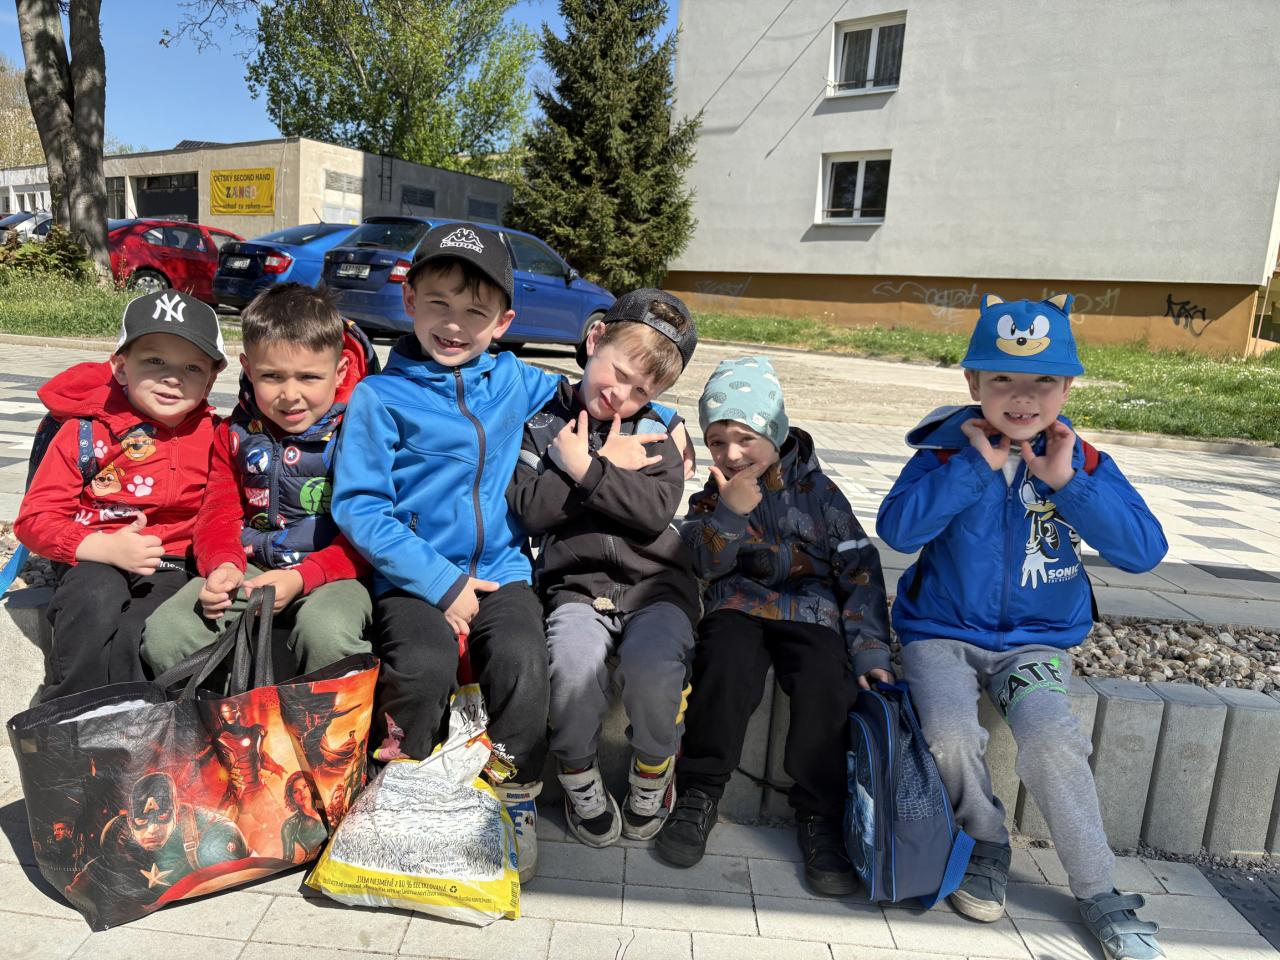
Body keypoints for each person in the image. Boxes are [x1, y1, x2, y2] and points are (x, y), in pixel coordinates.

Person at [876, 294, 1168, 960]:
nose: (1022, 396)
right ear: (973, 383)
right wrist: (971, 470)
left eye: (1043, 381)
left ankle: (1098, 889)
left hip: (1035, 644)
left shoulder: (1080, 460)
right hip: (941, 632)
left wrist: (1069, 484)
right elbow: (898, 530)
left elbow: (1144, 550)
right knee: (950, 735)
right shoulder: (945, 453)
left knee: (1052, 739)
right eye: (1002, 378)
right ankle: (985, 840)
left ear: (1067, 389)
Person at [327, 222, 564, 883]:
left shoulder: (514, 379)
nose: (454, 325)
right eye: (438, 304)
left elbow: (592, 396)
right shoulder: (380, 397)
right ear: (408, 300)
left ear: (503, 322)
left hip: (502, 572)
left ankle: (514, 793)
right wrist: (441, 584)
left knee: (521, 656)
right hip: (412, 579)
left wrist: (665, 426)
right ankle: (405, 786)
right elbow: (360, 507)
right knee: (424, 666)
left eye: (475, 312)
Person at [656, 356, 892, 897]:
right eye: (717, 442)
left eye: (746, 438)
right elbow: (703, 563)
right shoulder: (714, 495)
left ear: (775, 430)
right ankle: (699, 792)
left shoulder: (821, 493)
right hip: (739, 605)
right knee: (724, 665)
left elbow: (859, 567)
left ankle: (819, 813)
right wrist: (729, 514)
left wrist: (871, 649)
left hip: (810, 610)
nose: (732, 454)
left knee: (825, 682)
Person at [508, 288, 700, 848]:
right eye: (618, 375)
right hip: (575, 588)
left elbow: (654, 511)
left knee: (654, 667)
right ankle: (577, 773)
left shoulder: (656, 428)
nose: (622, 397)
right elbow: (528, 510)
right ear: (594, 340)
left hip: (658, 588)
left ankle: (654, 769)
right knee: (572, 666)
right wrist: (592, 468)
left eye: (642, 391)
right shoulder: (543, 425)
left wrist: (587, 471)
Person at [142, 283, 375, 677]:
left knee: (327, 631)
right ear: (248, 369)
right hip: (250, 566)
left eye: (308, 377)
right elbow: (218, 513)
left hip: (336, 571)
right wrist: (222, 565)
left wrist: (301, 578)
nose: (290, 394)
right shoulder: (234, 433)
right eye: (272, 376)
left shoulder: (359, 431)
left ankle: (328, 718)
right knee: (168, 632)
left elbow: (370, 531)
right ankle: (226, 711)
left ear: (340, 372)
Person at [15, 290, 225, 700]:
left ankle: (132, 713)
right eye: (155, 361)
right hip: (93, 555)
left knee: (143, 627)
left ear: (211, 380)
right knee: (93, 599)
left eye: (192, 367)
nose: (173, 377)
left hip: (172, 562)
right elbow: (34, 520)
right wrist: (101, 546)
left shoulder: (217, 437)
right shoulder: (85, 431)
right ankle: (72, 709)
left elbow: (225, 511)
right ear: (121, 367)